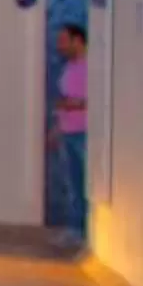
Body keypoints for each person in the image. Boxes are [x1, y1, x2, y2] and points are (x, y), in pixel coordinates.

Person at [49, 23, 90, 236]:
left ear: (78, 40)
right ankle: (75, 230)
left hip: (86, 134)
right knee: (72, 184)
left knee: (88, 184)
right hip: (68, 133)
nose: (60, 46)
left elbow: (100, 103)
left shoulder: (93, 67)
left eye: (64, 40)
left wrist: (72, 105)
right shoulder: (69, 68)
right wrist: (56, 129)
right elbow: (64, 100)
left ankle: (89, 232)